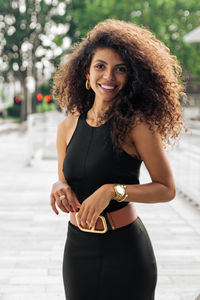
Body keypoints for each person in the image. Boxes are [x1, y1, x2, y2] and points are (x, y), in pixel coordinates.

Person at [50, 19, 187, 300]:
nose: (109, 76)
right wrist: (58, 187)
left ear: (131, 77)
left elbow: (166, 188)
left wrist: (114, 191)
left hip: (125, 251)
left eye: (120, 69)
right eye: (100, 66)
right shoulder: (67, 127)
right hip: (77, 249)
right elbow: (66, 181)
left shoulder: (139, 126)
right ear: (86, 73)